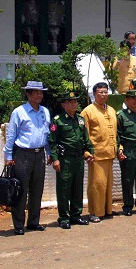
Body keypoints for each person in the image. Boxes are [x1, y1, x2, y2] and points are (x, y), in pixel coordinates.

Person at [4, 81, 52, 235]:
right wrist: (8, 156)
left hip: (40, 155)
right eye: (36, 92)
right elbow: (11, 135)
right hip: (23, 154)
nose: (39, 95)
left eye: (41, 92)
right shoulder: (19, 112)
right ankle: (18, 224)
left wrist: (49, 153)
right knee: (21, 189)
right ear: (28, 94)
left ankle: (33, 222)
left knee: (37, 190)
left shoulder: (45, 111)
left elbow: (47, 134)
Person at [49, 92, 94, 229]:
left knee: (77, 187)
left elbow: (86, 139)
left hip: (78, 159)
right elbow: (53, 141)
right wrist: (55, 159)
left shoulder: (81, 120)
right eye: (70, 102)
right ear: (64, 105)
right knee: (64, 189)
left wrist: (90, 152)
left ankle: (76, 215)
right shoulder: (58, 120)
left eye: (75, 101)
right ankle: (63, 218)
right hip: (65, 159)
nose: (74, 104)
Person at [80, 82, 117, 222]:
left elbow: (116, 133)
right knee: (97, 185)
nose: (103, 94)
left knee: (108, 185)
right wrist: (86, 152)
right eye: (100, 92)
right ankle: (95, 212)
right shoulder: (87, 111)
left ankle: (107, 210)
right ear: (94, 94)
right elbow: (84, 134)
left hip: (110, 153)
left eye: (105, 92)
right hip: (96, 154)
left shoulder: (112, 110)